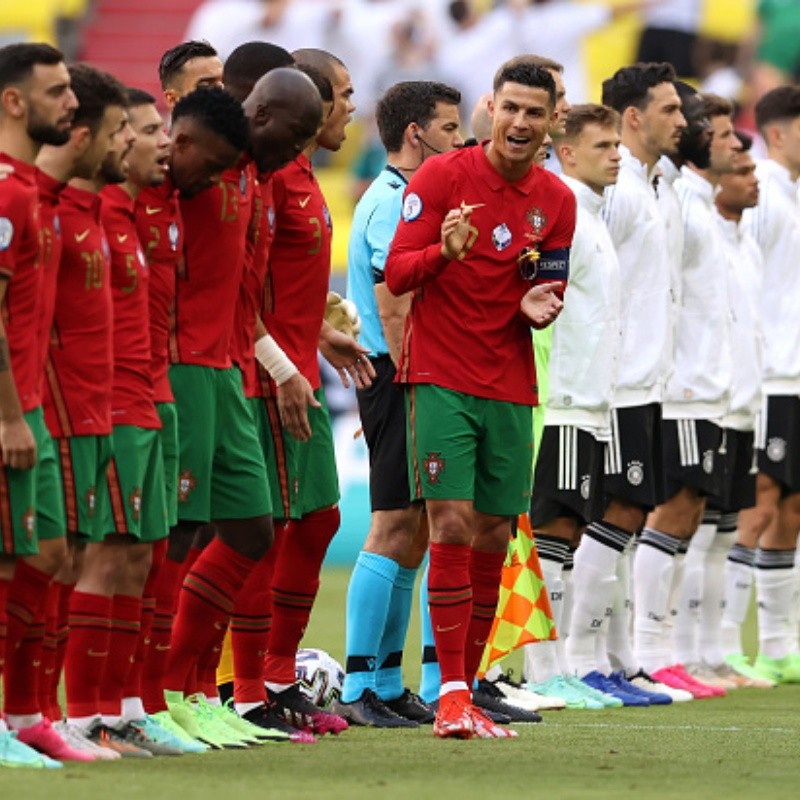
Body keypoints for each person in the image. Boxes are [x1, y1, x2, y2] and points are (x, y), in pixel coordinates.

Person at [384, 58, 575, 739]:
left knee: (496, 531)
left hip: (510, 382)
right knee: (453, 524)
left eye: (535, 111)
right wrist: (443, 251)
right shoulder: (442, 178)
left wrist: (536, 306)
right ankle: (452, 696)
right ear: (491, 108)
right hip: (440, 375)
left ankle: (469, 685)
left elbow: (548, 288)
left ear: (554, 117)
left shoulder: (558, 201)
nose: (520, 122)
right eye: (510, 108)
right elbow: (400, 275)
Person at [334, 80, 463, 728]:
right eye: (449, 126)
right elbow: (393, 301)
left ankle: (386, 681)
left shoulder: (408, 199)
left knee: (414, 530)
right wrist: (414, 384)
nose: (460, 138)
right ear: (416, 133)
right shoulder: (393, 202)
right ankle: (358, 685)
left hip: (405, 374)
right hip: (401, 373)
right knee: (392, 526)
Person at [258, 46, 370, 737]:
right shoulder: (270, 181)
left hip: (300, 367)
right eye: (343, 94)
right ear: (310, 102)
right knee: (256, 531)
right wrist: (280, 362)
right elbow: (242, 291)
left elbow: (281, 285)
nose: (352, 107)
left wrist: (322, 337)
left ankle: (273, 678)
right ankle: (236, 683)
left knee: (316, 520)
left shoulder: (304, 179)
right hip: (267, 378)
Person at [567, 63, 687, 704]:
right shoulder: (613, 193)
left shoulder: (654, 185)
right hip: (613, 382)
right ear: (633, 116)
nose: (681, 120)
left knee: (629, 515)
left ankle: (616, 658)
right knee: (609, 512)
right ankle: (579, 656)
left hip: (648, 379)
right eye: (669, 109)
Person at [641, 93, 739, 695]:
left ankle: (669, 649)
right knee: (669, 512)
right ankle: (653, 650)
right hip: (679, 382)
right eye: (721, 133)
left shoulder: (696, 202)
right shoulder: (672, 196)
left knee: (694, 515)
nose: (732, 143)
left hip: (707, 383)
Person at [0, 41, 78, 770]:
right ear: (15, 102)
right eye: (57, 92)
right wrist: (6, 414)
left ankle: (24, 714)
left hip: (31, 404)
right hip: (9, 412)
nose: (72, 103)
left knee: (47, 553)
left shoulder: (30, 192)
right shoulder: (4, 192)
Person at [742, 86, 800, 685]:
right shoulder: (760, 194)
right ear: (778, 133)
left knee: (792, 505)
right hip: (767, 374)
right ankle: (732, 643)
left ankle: (781, 644)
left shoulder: (793, 196)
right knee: (759, 501)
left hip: (795, 373)